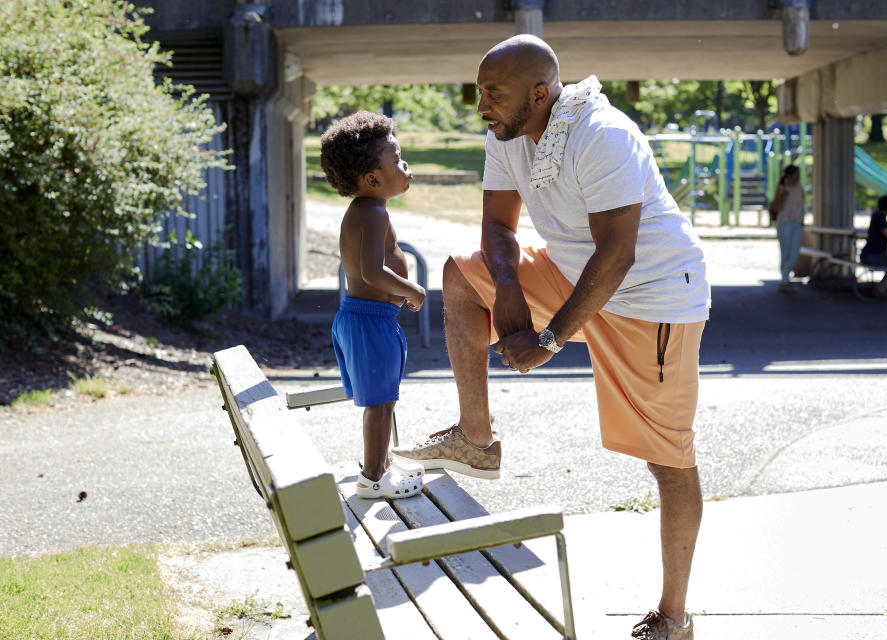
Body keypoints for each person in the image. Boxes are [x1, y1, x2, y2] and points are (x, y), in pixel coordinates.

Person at [392, 35, 709, 639]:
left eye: (494, 93)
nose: (481, 104)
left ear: (540, 94)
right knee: (463, 273)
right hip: (572, 271)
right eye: (479, 91)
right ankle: (476, 437)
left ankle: (674, 617)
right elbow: (495, 225)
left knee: (668, 461)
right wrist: (507, 286)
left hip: (653, 296)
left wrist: (549, 338)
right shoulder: (506, 134)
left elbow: (617, 255)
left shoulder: (602, 135)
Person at [319, 111, 427, 499]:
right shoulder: (374, 211)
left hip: (367, 318)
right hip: (369, 322)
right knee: (380, 405)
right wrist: (413, 290)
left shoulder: (367, 210)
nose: (405, 166)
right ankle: (373, 479)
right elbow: (371, 272)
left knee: (384, 399)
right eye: (397, 160)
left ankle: (378, 468)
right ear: (373, 179)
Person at [768, 165, 804, 293]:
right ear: (789, 176)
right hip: (785, 223)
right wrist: (782, 197)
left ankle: (785, 279)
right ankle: (784, 281)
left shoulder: (800, 189)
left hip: (797, 224)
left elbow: (802, 205)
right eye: (795, 175)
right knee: (785, 253)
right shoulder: (782, 188)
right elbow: (775, 206)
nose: (797, 178)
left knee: (794, 253)